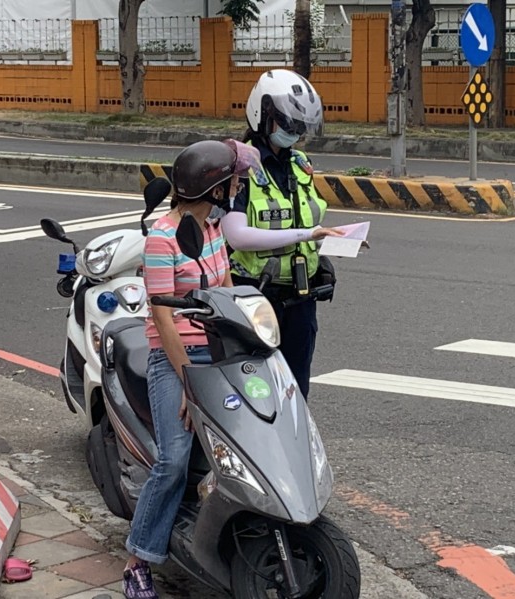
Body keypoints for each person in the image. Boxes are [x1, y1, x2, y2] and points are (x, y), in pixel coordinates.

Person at [122, 139, 247, 598]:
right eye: (231, 181)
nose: (236, 187)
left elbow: (226, 291)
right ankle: (138, 558)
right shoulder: (162, 239)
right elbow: (162, 318)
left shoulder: (212, 231)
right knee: (173, 460)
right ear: (215, 188)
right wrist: (190, 386)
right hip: (175, 360)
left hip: (219, 353)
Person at [221, 69, 344, 400]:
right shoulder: (239, 166)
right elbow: (237, 236)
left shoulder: (300, 164)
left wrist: (327, 245)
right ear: (264, 116)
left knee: (295, 389)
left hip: (300, 297)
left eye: (300, 128)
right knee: (255, 388)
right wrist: (304, 234)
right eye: (289, 125)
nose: (295, 133)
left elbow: (304, 218)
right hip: (255, 296)